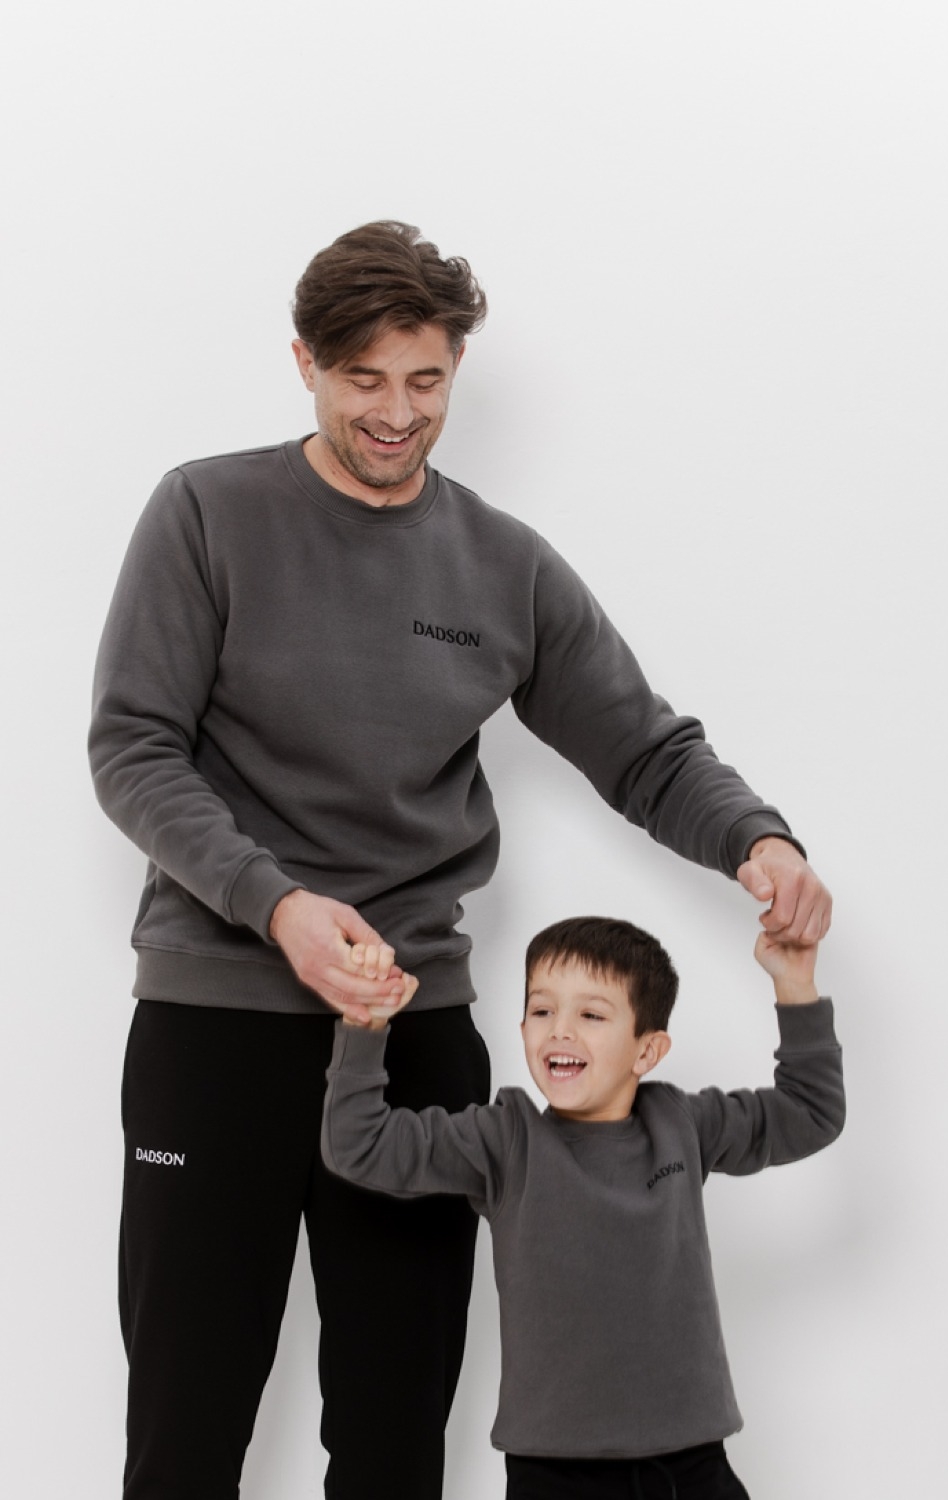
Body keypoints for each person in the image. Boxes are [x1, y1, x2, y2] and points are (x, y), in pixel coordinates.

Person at [89, 220, 832, 1500]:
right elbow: (132, 748)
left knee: (394, 1441)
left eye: (424, 380)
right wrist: (277, 906)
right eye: (362, 380)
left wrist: (756, 839)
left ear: (457, 370)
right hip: (215, 1028)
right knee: (185, 1430)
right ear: (304, 365)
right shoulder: (205, 512)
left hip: (415, 1041)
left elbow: (645, 748)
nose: (396, 413)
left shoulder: (502, 564)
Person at [322, 915, 845, 1500]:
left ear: (647, 1050)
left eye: (591, 1015)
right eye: (542, 1011)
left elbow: (812, 1112)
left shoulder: (681, 1124)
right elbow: (357, 1146)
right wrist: (364, 1027)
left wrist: (794, 984)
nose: (561, 1031)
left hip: (692, 1465)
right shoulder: (505, 1139)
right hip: (556, 1475)